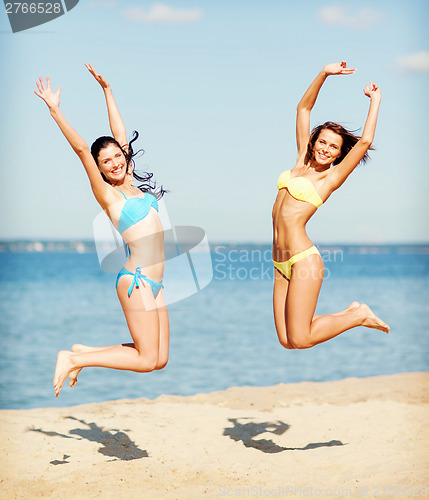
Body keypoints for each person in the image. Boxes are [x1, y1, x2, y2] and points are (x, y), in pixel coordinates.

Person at [35, 64, 169, 396]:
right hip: (135, 279)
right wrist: (55, 111)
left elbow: (120, 134)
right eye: (105, 161)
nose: (114, 162)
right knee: (144, 357)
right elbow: (82, 149)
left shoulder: (134, 183)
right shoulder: (108, 194)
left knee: (159, 359)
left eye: (116, 156)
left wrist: (107, 91)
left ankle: (81, 354)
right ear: (99, 169)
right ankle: (74, 357)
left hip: (156, 283)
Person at [272, 61, 389, 350]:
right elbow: (303, 109)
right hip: (279, 262)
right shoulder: (300, 161)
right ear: (313, 143)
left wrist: (375, 101)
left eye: (333, 147)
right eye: (322, 142)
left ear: (338, 154)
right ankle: (351, 313)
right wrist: (324, 73)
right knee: (288, 341)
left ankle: (359, 315)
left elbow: (366, 141)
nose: (325, 149)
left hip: (303, 260)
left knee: (301, 337)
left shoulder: (331, 178)